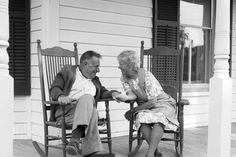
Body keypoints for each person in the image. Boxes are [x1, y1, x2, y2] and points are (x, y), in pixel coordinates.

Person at [50, 50, 120, 157]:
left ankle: (75, 142)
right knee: (89, 102)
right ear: (85, 64)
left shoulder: (95, 80)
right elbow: (55, 88)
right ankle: (89, 151)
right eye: (96, 66)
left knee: (93, 110)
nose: (98, 70)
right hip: (66, 113)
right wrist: (61, 96)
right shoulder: (68, 71)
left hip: (86, 114)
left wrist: (113, 93)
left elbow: (102, 92)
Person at [113, 50, 179, 157]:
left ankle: (149, 153)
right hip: (146, 106)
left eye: (121, 64)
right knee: (142, 119)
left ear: (130, 65)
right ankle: (155, 151)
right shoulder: (124, 78)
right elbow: (132, 95)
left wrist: (133, 110)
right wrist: (121, 96)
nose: (119, 67)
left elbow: (153, 101)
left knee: (159, 119)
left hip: (163, 103)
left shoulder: (147, 76)